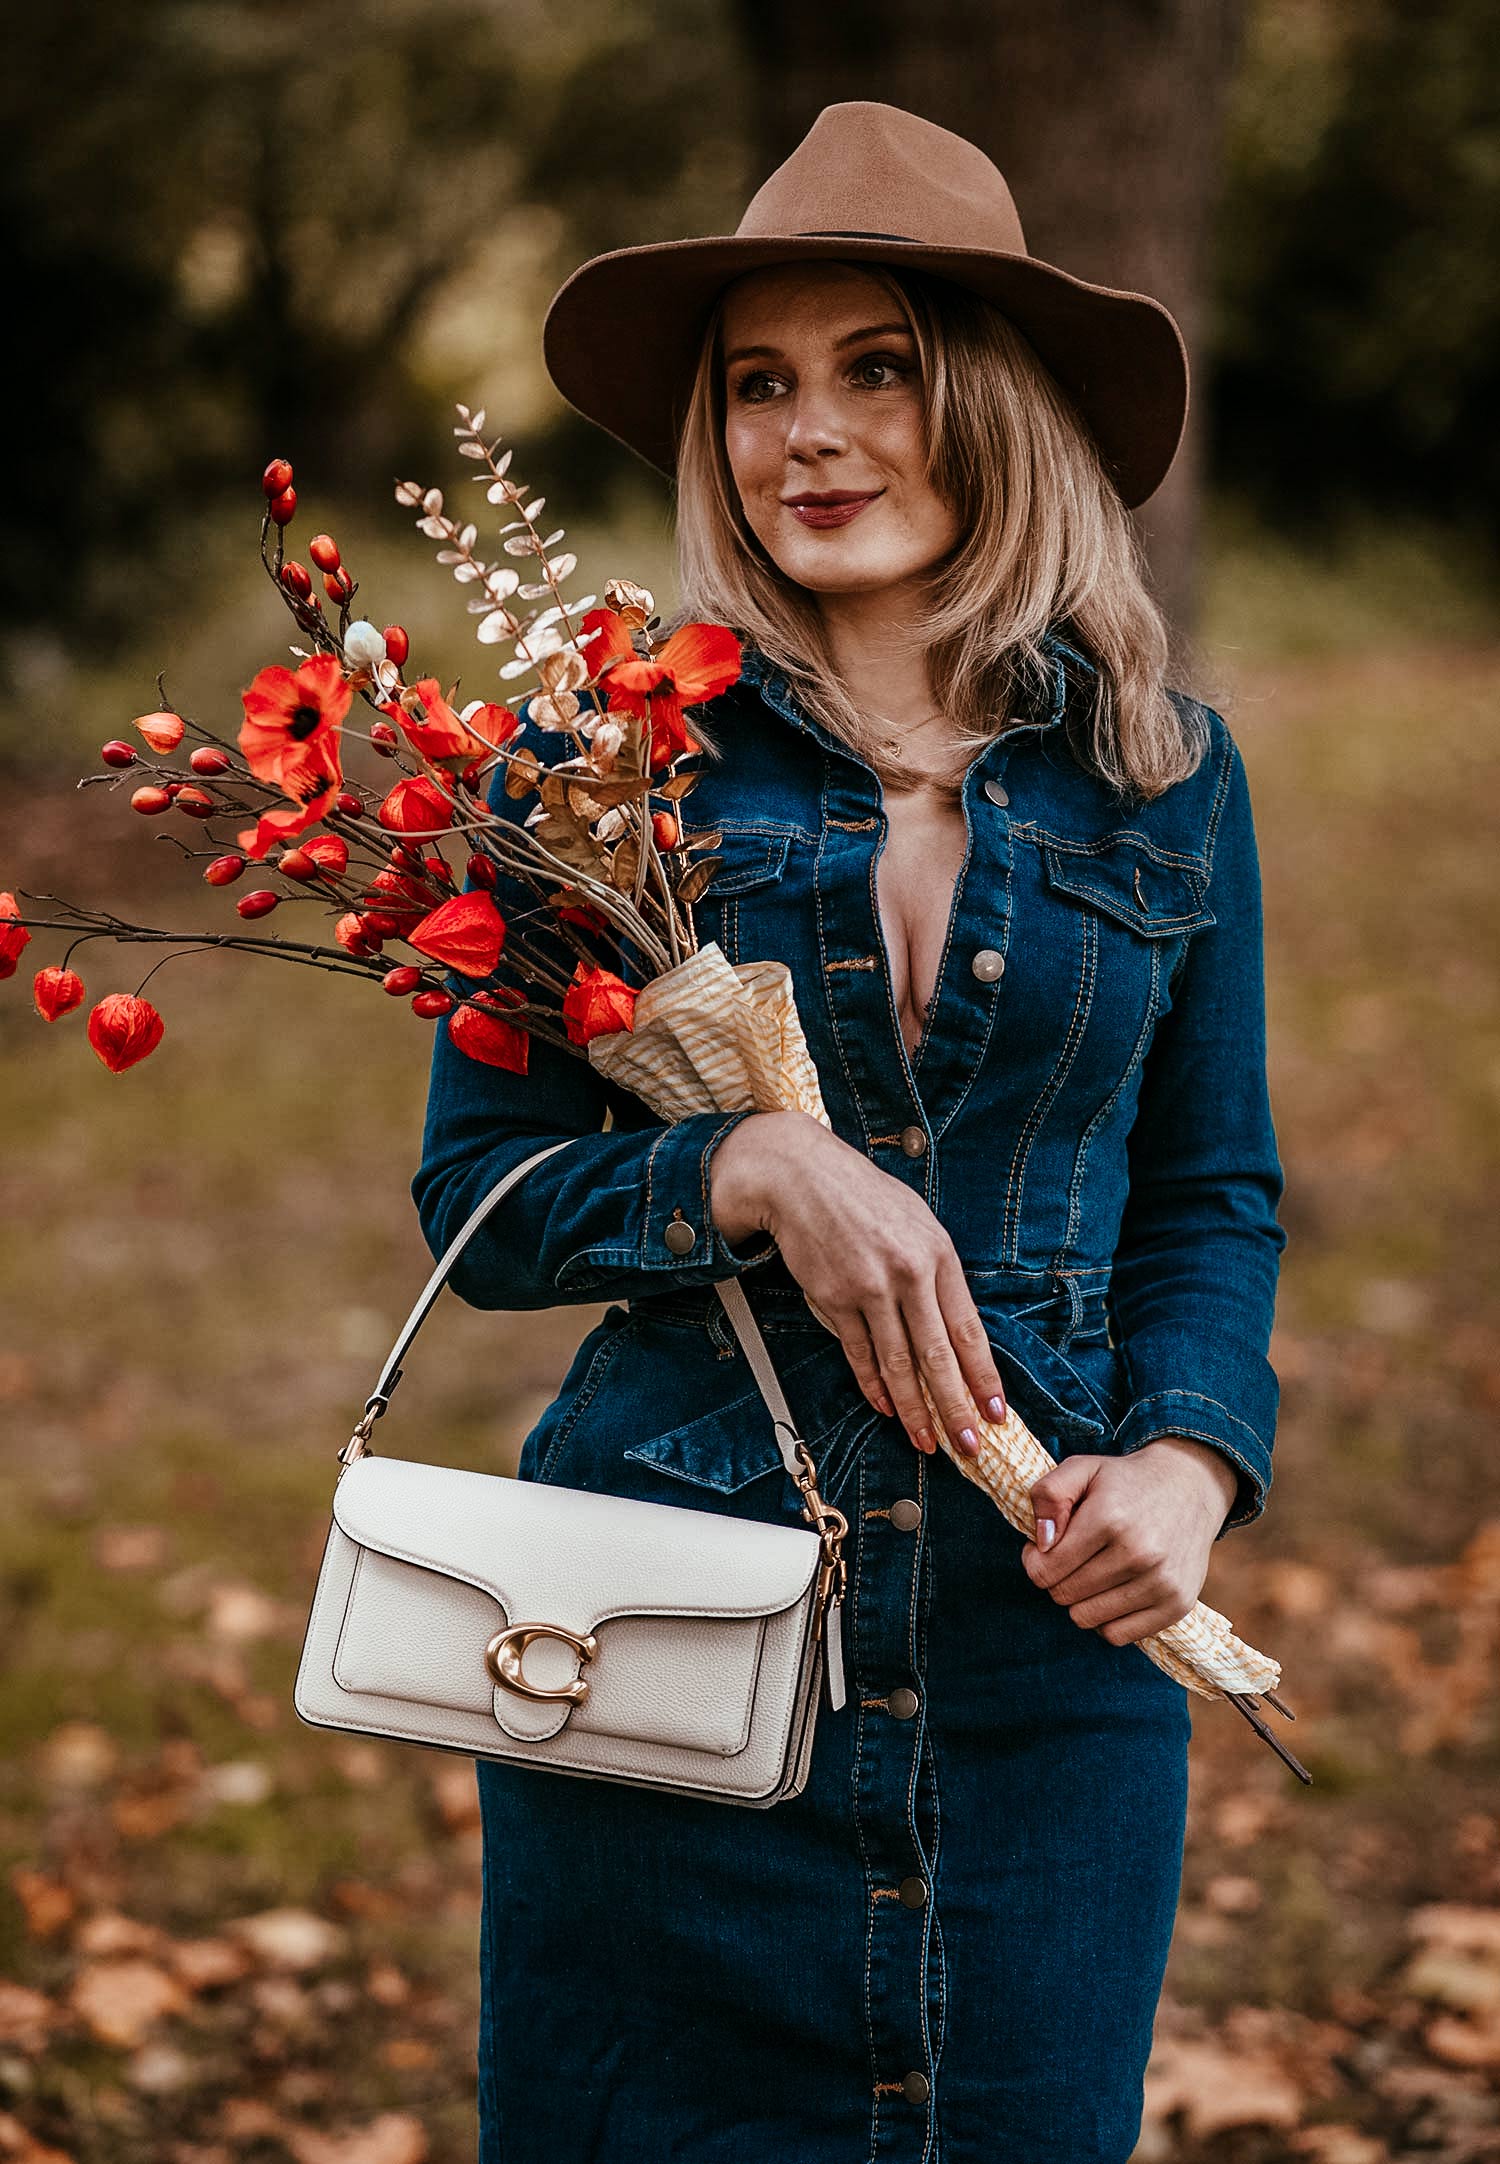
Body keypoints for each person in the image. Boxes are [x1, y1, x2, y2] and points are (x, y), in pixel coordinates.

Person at [411, 100, 1288, 2164]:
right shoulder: (599, 766)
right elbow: (478, 1199)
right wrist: (746, 1169)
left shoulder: (1160, 778)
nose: (808, 435)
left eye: (874, 368)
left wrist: (1186, 1456)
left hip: (1046, 1645)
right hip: (663, 1629)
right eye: (758, 387)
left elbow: (1213, 1188)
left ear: (992, 403)